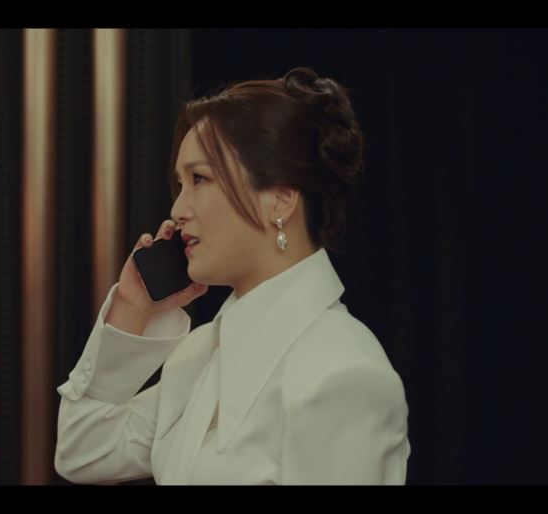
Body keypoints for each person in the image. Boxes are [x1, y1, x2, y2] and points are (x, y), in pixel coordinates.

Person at [54, 67, 410, 485]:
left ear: (280, 200)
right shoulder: (199, 356)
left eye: (199, 179)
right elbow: (82, 450)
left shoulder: (343, 375)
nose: (178, 210)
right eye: (181, 183)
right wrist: (132, 308)